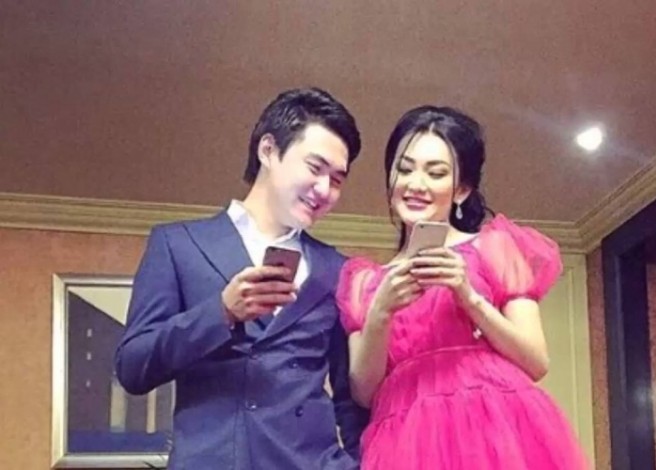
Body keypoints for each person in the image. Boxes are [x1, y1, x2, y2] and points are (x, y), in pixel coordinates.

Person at [115, 87, 369, 469]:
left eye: (337, 180)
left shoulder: (337, 270)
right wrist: (220, 312)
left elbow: (351, 400)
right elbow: (133, 368)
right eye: (315, 168)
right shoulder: (178, 245)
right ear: (268, 150)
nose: (324, 190)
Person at [336, 106, 590, 469]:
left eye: (436, 172)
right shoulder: (364, 281)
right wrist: (381, 311)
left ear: (461, 189)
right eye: (404, 169)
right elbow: (364, 393)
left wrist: (468, 296)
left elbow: (536, 362)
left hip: (495, 430)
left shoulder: (495, 247)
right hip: (406, 441)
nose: (416, 184)